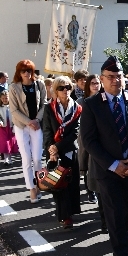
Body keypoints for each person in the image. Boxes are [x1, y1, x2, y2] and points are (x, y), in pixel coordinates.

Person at [81, 56, 128, 256]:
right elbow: (89, 140)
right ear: (101, 79)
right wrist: (112, 164)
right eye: (110, 77)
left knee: (127, 212)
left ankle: (122, 237)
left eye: (119, 76)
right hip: (108, 171)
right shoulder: (91, 105)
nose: (115, 81)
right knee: (113, 214)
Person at [41, 76, 82, 229]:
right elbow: (46, 130)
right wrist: (51, 148)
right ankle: (64, 216)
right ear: (55, 91)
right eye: (61, 88)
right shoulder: (48, 107)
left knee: (71, 182)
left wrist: (58, 146)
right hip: (53, 152)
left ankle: (71, 211)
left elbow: (75, 132)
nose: (65, 90)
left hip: (70, 149)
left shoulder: (77, 108)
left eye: (68, 87)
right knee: (58, 185)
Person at [8, 60, 47, 203]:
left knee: (37, 158)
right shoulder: (13, 87)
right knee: (26, 158)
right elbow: (13, 110)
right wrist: (28, 122)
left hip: (36, 125)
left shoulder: (39, 85)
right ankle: (31, 188)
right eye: (23, 71)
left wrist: (36, 120)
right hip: (21, 125)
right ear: (19, 73)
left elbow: (44, 104)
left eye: (29, 71)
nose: (26, 74)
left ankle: (38, 185)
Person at [78, 74, 102, 208]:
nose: (95, 85)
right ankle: (90, 191)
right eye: (92, 83)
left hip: (100, 137)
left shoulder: (104, 99)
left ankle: (98, 192)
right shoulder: (82, 102)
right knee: (86, 164)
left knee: (97, 164)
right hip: (85, 137)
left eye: (97, 83)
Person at [0, 89, 19, 164]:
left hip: (11, 126)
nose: (4, 100)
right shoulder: (0, 107)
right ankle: (6, 159)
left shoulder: (13, 106)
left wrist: (15, 125)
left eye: (6, 98)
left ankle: (10, 158)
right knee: (5, 143)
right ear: (0, 99)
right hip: (3, 127)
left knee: (10, 142)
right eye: (3, 98)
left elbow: (16, 116)